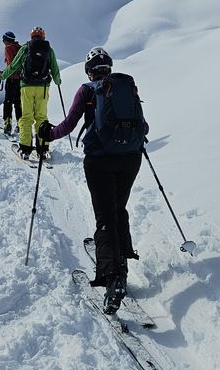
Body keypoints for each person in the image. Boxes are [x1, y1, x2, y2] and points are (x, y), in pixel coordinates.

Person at [39, 47, 147, 313]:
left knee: (105, 217)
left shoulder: (87, 90)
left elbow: (68, 125)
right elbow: (143, 127)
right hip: (131, 159)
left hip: (100, 161)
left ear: (89, 71)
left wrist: (47, 133)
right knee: (118, 208)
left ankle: (113, 279)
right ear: (109, 67)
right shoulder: (127, 86)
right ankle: (122, 260)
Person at [1, 26, 61, 160]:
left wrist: (3, 75)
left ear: (31, 36)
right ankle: (42, 149)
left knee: (26, 117)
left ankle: (25, 148)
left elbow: (14, 65)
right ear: (43, 36)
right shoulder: (49, 49)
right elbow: (55, 69)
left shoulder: (25, 48)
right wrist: (58, 81)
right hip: (43, 88)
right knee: (41, 117)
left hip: (26, 87)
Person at [0, 30, 22, 136]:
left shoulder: (8, 48)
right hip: (21, 79)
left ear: (6, 40)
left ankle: (7, 123)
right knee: (18, 102)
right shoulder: (20, 48)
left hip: (11, 79)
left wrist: (3, 75)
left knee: (8, 102)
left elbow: (12, 65)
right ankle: (20, 124)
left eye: (3, 40)